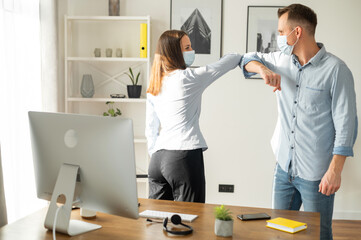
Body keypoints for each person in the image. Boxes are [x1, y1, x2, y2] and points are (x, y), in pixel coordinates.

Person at [240, 4, 357, 240]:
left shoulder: (336, 70)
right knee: (280, 232)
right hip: (284, 168)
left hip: (317, 173)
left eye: (282, 32)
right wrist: (263, 70)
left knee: (319, 235)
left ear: (297, 32)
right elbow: (245, 60)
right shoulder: (280, 60)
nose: (279, 38)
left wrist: (335, 170)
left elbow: (346, 124)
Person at [146, 30, 279, 203]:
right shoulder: (187, 78)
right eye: (187, 47)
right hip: (182, 157)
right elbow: (228, 62)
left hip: (156, 160)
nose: (192, 50)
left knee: (156, 221)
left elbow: (150, 128)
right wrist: (241, 56)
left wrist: (156, 154)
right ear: (174, 52)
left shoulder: (155, 84)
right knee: (190, 221)